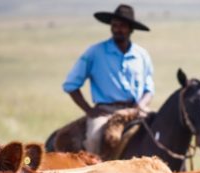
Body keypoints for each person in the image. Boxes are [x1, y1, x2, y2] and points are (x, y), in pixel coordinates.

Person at [62, 4, 154, 155]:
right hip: (105, 113)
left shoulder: (142, 55)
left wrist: (140, 105)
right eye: (115, 25)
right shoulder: (95, 52)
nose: (118, 29)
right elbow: (71, 85)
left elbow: (149, 89)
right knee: (94, 139)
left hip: (135, 110)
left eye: (122, 26)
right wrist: (89, 110)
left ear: (131, 29)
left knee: (162, 128)